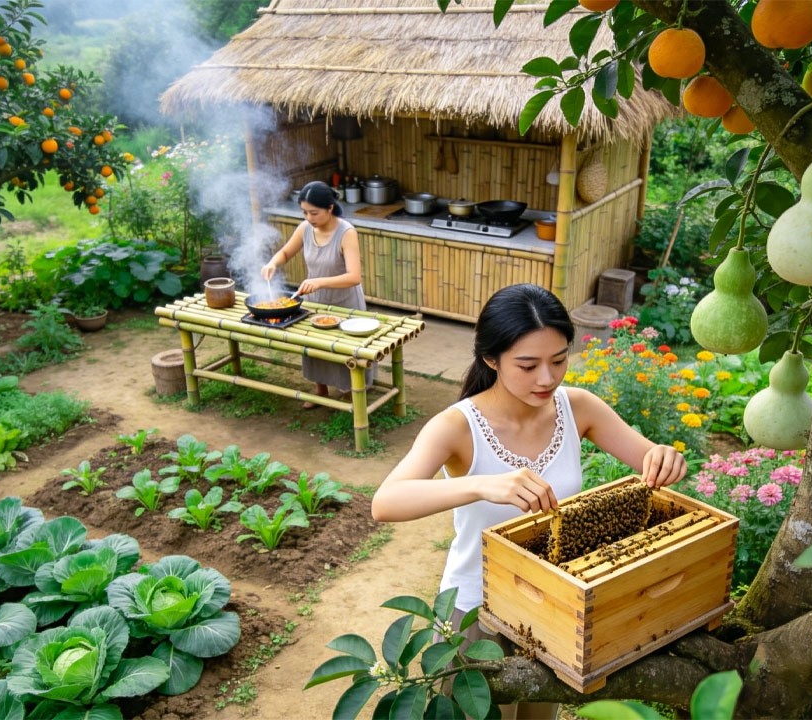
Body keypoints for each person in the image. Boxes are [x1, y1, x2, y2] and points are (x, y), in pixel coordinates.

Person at [372, 283, 687, 720]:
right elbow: (386, 501)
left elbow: (649, 457)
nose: (547, 378)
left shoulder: (577, 407)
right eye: (527, 365)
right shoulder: (457, 426)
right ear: (490, 359)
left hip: (555, 602)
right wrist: (483, 485)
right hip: (475, 606)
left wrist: (664, 457)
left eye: (558, 360)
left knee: (539, 716)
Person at [261, 180, 374, 409]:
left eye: (314, 212)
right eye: (304, 212)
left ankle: (352, 390)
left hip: (345, 302)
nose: (309, 218)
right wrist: (273, 263)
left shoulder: (346, 232)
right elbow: (285, 252)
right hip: (316, 302)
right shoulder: (305, 228)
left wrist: (319, 282)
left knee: (345, 350)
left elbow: (354, 277)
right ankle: (320, 390)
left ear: (330, 208)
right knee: (315, 347)